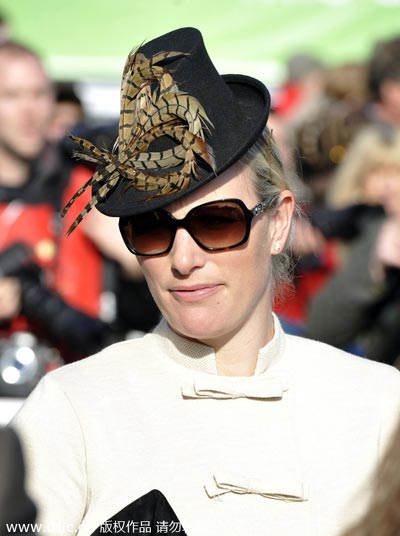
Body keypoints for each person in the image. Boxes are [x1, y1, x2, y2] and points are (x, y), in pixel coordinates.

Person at [12, 28, 400, 536]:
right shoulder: (71, 409)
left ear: (278, 222)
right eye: (151, 229)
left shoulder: (379, 407)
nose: (183, 258)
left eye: (217, 221)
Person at [306, 124, 400, 365]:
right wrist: (373, 268)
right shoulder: (333, 226)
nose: (389, 185)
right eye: (378, 172)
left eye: (396, 172)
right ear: (358, 174)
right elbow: (319, 328)